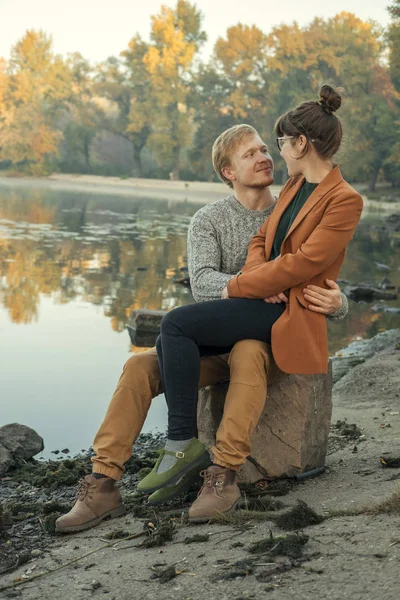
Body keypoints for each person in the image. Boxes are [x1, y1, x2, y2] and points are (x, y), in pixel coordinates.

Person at [55, 112, 348, 533]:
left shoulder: (294, 204)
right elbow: (204, 282)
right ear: (228, 171)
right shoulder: (208, 219)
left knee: (247, 349)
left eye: (266, 149)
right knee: (140, 366)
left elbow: (326, 275)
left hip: (267, 343)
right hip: (209, 343)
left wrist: (338, 304)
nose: (264, 157)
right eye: (251, 154)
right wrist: (249, 284)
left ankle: (223, 477)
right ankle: (103, 484)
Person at [138, 84, 363, 524]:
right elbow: (262, 240)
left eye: (277, 142)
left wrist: (248, 285)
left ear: (300, 143)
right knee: (173, 333)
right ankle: (181, 447)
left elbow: (305, 262)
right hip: (266, 300)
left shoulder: (344, 199)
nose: (274, 152)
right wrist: (258, 280)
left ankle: (185, 447)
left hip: (289, 312)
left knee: (177, 325)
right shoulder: (295, 185)